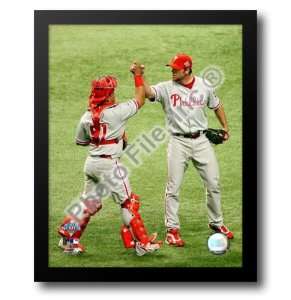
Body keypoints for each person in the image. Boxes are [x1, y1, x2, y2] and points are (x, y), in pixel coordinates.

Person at [57, 63, 161, 256]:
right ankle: (143, 243)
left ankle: (68, 239)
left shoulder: (86, 117)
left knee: (89, 203)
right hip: (109, 166)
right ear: (108, 94)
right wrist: (138, 75)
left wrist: (106, 137)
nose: (115, 93)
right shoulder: (117, 112)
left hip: (91, 164)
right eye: (112, 91)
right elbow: (140, 98)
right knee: (129, 202)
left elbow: (81, 141)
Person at [131, 54, 233, 247]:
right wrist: (139, 76)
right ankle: (172, 230)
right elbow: (148, 93)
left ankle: (217, 223)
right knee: (173, 187)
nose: (172, 71)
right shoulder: (166, 88)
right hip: (178, 142)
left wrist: (226, 128)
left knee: (213, 183)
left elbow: (217, 106)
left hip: (202, 140)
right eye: (172, 68)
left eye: (176, 69)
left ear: (187, 70)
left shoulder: (204, 85)